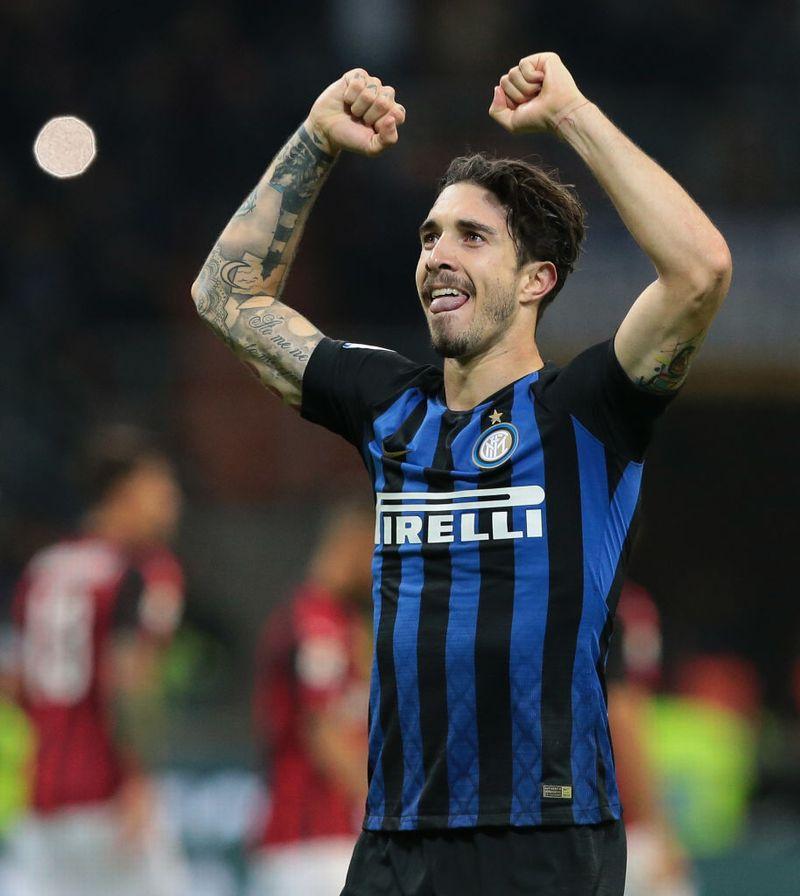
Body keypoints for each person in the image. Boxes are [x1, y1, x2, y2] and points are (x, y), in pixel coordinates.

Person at [192, 52, 731, 896]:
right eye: (430, 236)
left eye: (471, 237)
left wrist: (572, 113)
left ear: (537, 279)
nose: (438, 255)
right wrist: (314, 141)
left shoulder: (587, 410)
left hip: (544, 840)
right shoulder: (387, 405)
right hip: (395, 840)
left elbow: (700, 271)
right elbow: (227, 298)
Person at [4, 425, 188, 896]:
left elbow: (17, 680)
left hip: (43, 796)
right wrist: (138, 779)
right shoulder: (145, 571)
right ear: (123, 495)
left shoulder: (44, 568)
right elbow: (131, 677)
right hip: (109, 793)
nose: (172, 503)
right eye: (160, 490)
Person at [249, 501, 374, 896]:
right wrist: (382, 803)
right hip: (309, 843)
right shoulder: (316, 621)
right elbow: (323, 733)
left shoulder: (338, 619)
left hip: (321, 843)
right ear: (353, 544)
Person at [606, 582, 696, 896]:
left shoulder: (510, 590)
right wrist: (659, 830)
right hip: (617, 835)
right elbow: (621, 710)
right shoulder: (620, 601)